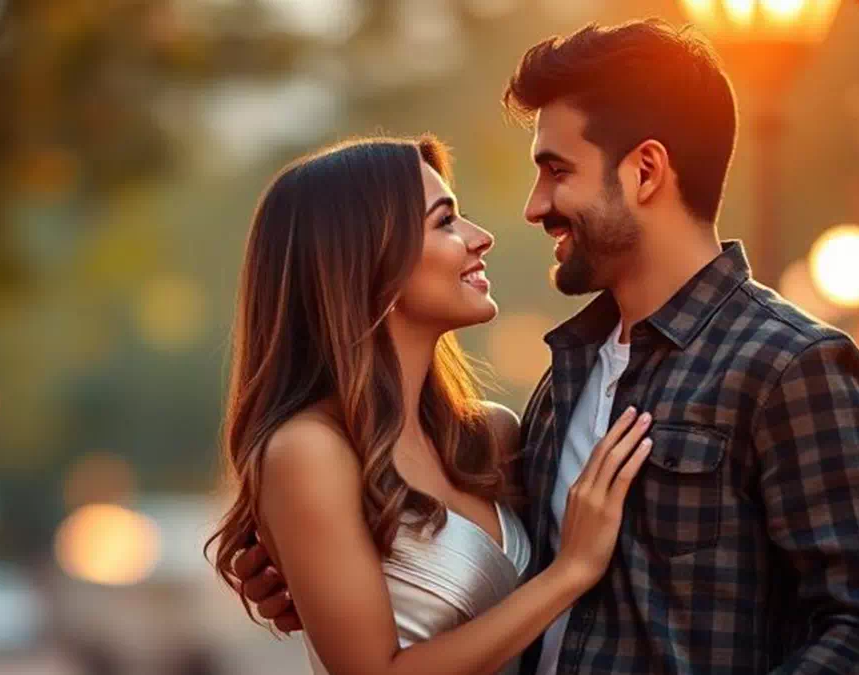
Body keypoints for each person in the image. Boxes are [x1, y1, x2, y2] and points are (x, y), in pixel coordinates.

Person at [234, 19, 859, 674]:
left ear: (645, 172)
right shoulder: (559, 386)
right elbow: (448, 574)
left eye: (556, 170)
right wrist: (314, 575)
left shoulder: (790, 366)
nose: (532, 207)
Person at [206, 135, 652, 675]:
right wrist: (572, 571)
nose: (481, 237)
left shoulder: (491, 438)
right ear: (368, 260)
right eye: (445, 222)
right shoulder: (309, 450)